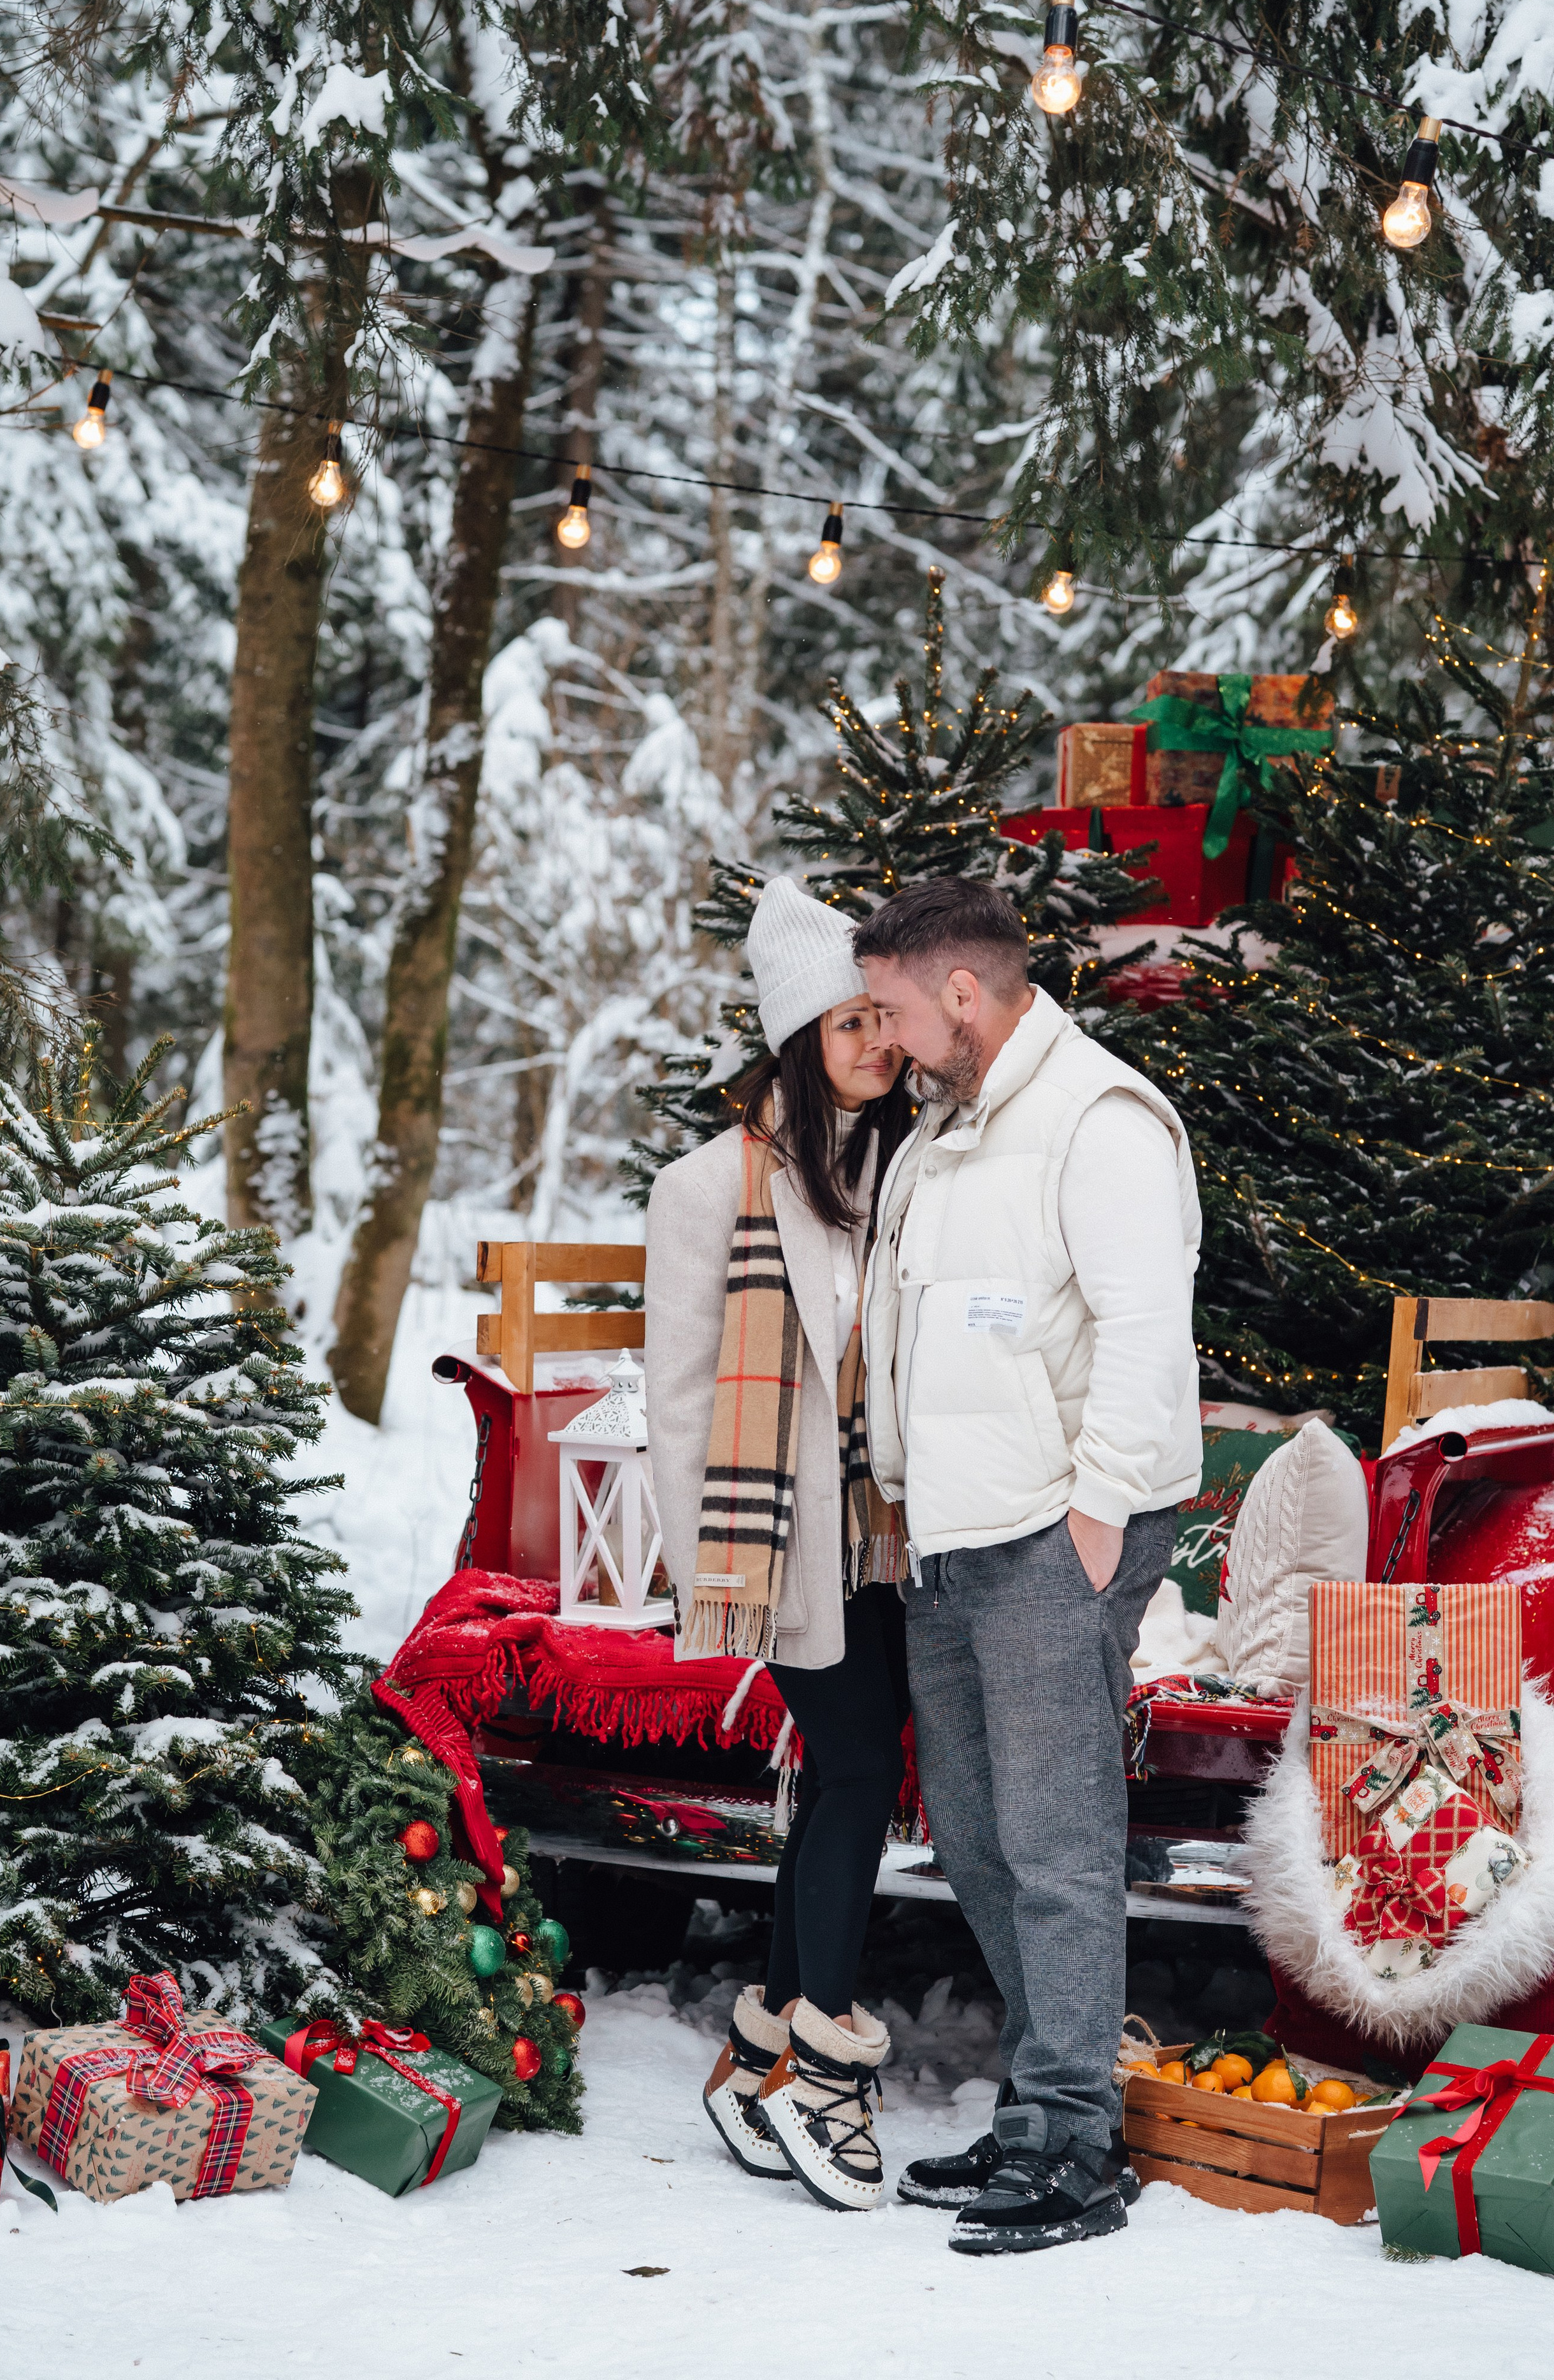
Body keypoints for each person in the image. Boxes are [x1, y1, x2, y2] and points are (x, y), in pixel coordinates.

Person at [853, 875, 1202, 2256]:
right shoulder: (951, 1130)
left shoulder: (1094, 1120)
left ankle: (1074, 2142)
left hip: (1054, 1533)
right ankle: (1040, 2105)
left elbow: (1141, 1329)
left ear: (958, 992)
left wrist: (1100, 1519)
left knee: (1054, 1842)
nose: (876, 1037)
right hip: (951, 1532)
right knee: (978, 1835)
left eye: (888, 1008)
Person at [646, 877, 916, 2211]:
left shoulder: (902, 1166)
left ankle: (757, 2045)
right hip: (780, 1542)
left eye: (887, 1019)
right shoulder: (707, 1188)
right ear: (799, 1033)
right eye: (851, 1022)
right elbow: (684, 1397)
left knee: (842, 1772)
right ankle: (820, 2061)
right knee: (860, 1764)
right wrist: (719, 1565)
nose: (877, 1043)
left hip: (884, 1532)